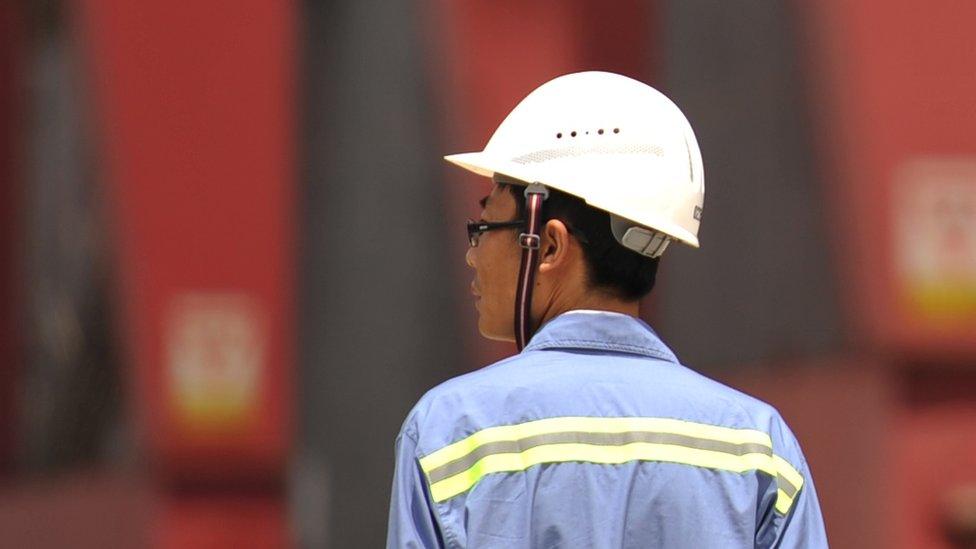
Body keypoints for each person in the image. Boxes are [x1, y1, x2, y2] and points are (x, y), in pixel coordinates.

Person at [387, 71, 828, 548]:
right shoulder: (760, 450)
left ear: (549, 244)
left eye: (485, 226)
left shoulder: (449, 434)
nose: (473, 254)